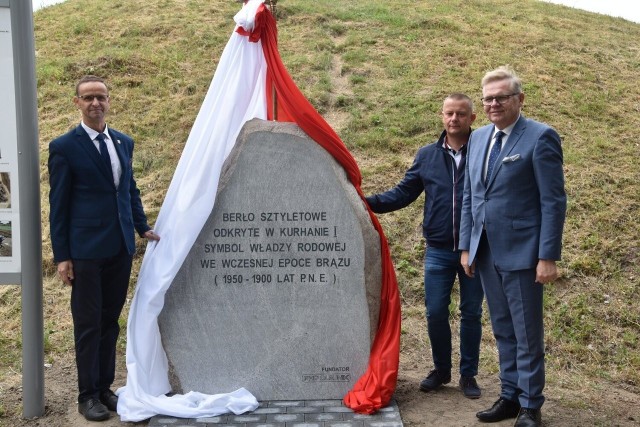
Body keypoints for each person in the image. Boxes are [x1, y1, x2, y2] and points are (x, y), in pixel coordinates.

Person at [48, 75, 160, 422]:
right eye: (88, 98)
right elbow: (59, 205)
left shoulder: (124, 142)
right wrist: (62, 255)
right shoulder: (64, 147)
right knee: (88, 323)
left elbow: (129, 189)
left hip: (120, 247)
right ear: (77, 103)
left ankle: (105, 388)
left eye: (101, 97)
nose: (95, 103)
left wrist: (142, 227)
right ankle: (87, 395)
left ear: (109, 101)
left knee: (110, 321)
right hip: (85, 250)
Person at [459, 66, 566, 427]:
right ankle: (509, 395)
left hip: (524, 253)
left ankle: (531, 405)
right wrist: (465, 246)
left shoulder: (540, 137)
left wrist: (547, 256)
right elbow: (471, 196)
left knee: (526, 333)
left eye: (501, 97)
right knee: (503, 328)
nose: (493, 104)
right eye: (488, 98)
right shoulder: (477, 139)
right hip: (486, 251)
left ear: (519, 99)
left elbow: (553, 201)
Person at [366, 94, 484, 399]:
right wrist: (365, 202)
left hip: (476, 250)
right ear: (442, 116)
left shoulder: (484, 152)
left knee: (471, 313)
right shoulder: (427, 155)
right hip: (438, 250)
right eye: (449, 113)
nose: (454, 119)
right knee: (434, 312)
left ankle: (468, 375)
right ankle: (441, 370)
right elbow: (403, 193)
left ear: (472, 118)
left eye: (461, 114)